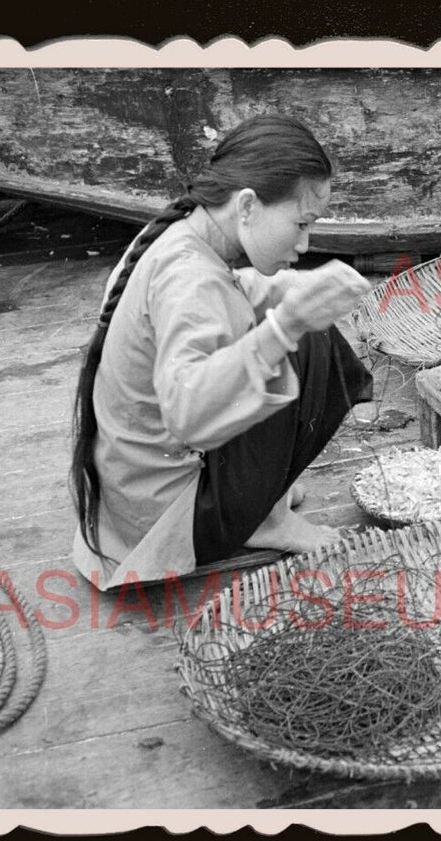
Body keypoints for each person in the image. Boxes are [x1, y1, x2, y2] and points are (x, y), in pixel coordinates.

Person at [70, 116, 374, 591]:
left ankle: (258, 500)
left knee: (285, 324)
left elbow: (229, 293)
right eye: (301, 223)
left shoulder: (180, 233)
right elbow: (188, 416)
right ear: (248, 206)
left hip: (133, 497)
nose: (304, 243)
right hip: (169, 520)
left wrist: (285, 288)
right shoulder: (189, 280)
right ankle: (265, 520)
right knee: (306, 343)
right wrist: (287, 322)